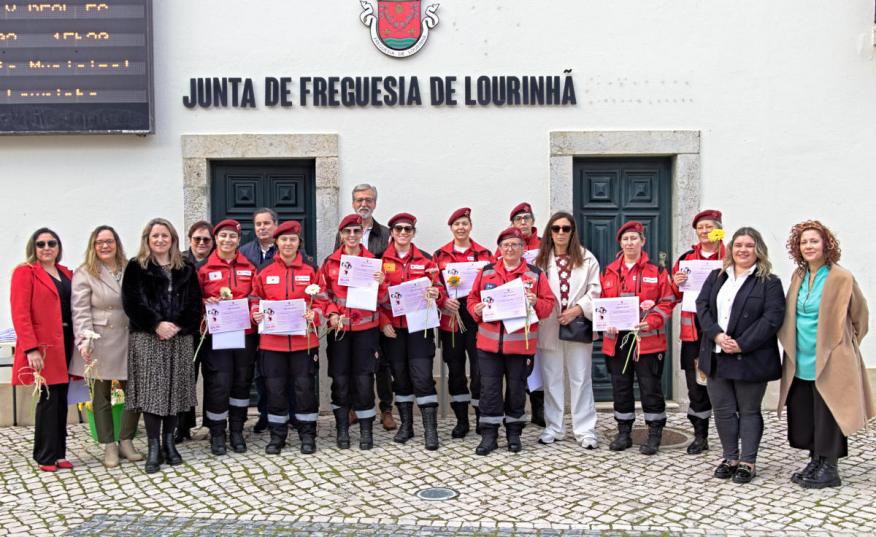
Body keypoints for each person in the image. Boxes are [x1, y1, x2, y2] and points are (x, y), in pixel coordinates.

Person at [777, 220, 873, 489]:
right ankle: (816, 459)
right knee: (807, 410)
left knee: (829, 410)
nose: (808, 246)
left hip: (831, 356)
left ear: (826, 244)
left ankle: (830, 468)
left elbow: (860, 316)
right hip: (801, 356)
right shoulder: (799, 275)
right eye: (803, 242)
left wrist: (846, 345)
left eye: (814, 241)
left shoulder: (841, 277)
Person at [696, 226, 784, 484]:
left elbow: (772, 318)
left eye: (749, 245)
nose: (743, 250)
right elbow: (702, 307)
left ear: (758, 250)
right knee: (722, 410)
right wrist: (716, 335)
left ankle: (748, 461)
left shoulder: (770, 282)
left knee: (748, 410)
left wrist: (741, 344)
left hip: (750, 356)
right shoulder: (716, 276)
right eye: (738, 245)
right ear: (730, 249)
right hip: (716, 353)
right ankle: (730, 457)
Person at [122, 218, 202, 473]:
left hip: (179, 338)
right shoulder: (137, 266)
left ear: (173, 239)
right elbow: (131, 302)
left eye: (164, 236)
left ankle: (170, 442)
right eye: (155, 236)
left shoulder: (186, 267)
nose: (159, 240)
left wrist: (176, 325)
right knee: (152, 393)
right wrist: (156, 324)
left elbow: (194, 303)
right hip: (148, 338)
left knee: (174, 391)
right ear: (147, 239)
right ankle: (154, 446)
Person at [467, 227, 555, 455]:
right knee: (489, 390)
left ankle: (514, 434)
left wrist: (536, 301)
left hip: (520, 345)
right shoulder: (486, 272)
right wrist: (476, 309)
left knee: (516, 390)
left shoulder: (534, 274)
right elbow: (472, 299)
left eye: (515, 244)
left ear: (523, 248)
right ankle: (489, 436)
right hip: (488, 345)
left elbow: (548, 306)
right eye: (506, 245)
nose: (510, 249)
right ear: (500, 248)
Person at [69, 226, 142, 467]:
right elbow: (80, 310)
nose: (104, 246)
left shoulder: (129, 267)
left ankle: (126, 440)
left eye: (109, 241)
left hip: (130, 336)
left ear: (117, 243)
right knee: (101, 396)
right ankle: (109, 445)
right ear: (93, 245)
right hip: (99, 339)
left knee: (135, 392)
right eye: (99, 242)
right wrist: (84, 340)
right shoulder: (85, 272)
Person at [600, 221, 675, 456]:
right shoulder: (609, 271)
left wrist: (651, 321)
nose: (630, 243)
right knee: (620, 388)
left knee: (650, 388)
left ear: (643, 241)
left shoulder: (658, 271)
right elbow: (602, 303)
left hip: (648, 342)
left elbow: (668, 301)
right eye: (625, 239)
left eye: (634, 238)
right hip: (617, 341)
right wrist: (605, 324)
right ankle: (624, 433)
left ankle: (654, 434)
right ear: (620, 243)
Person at [252, 220, 327, 455]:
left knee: (304, 388)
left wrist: (314, 314)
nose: (288, 243)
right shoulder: (264, 271)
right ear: (276, 243)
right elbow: (255, 298)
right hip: (271, 344)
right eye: (283, 239)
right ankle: (277, 436)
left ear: (298, 243)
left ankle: (307, 434)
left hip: (303, 342)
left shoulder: (310, 270)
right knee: (275, 389)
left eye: (292, 240)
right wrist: (255, 313)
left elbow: (323, 300)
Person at [318, 214, 388, 450]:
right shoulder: (330, 262)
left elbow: (383, 299)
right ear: (340, 235)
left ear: (362, 234)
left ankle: (366, 432)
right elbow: (322, 295)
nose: (351, 236)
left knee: (364, 379)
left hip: (366, 330)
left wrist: (382, 283)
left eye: (356, 232)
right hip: (339, 330)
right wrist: (331, 314)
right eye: (347, 232)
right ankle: (342, 430)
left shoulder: (372, 262)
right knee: (339, 379)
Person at [534, 212, 601, 449]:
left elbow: (596, 291)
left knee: (580, 377)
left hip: (577, 323)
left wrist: (577, 310)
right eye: (555, 228)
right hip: (549, 324)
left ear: (572, 231)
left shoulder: (586, 258)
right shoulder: (540, 260)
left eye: (565, 228)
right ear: (549, 232)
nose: (560, 233)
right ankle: (554, 426)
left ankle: (585, 429)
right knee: (552, 378)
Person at [379, 212, 446, 450]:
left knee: (423, 377)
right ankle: (406, 426)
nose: (403, 233)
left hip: (420, 329)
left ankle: (430, 430)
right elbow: (374, 300)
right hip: (393, 330)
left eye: (408, 229)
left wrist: (436, 293)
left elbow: (439, 289)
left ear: (414, 233)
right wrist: (383, 322)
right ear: (392, 233)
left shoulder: (426, 261)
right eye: (398, 229)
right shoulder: (380, 261)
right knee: (400, 378)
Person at [10, 228, 75, 472]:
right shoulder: (25, 273)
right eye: (41, 244)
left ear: (58, 247)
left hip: (66, 342)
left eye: (52, 243)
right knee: (49, 400)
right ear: (33, 248)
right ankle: (46, 455)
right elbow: (20, 313)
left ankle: (59, 453)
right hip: (45, 346)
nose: (46, 248)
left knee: (61, 400)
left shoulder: (66, 273)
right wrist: (31, 348)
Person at [334, 183, 395, 430]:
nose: (364, 204)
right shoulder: (343, 232)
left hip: (379, 307)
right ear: (353, 203)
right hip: (353, 311)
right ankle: (351, 408)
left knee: (382, 363)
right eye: (359, 199)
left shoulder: (386, 233)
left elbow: (389, 265)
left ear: (375, 204)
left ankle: (386, 409)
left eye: (369, 200)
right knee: (353, 364)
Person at [198, 219, 258, 456]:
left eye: (232, 236)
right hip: (218, 336)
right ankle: (217, 433)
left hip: (245, 335)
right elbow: (196, 300)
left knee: (242, 382)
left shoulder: (250, 268)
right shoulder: (204, 269)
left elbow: (256, 296)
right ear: (216, 239)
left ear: (238, 240)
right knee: (219, 384)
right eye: (223, 236)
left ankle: (236, 430)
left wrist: (253, 309)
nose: (227, 240)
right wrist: (206, 303)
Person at [433, 207, 493, 438]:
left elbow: (492, 283)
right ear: (451, 228)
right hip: (452, 320)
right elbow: (435, 284)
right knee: (455, 369)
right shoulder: (440, 255)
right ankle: (461, 421)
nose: (461, 227)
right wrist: (443, 300)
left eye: (465, 223)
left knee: (479, 370)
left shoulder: (484, 254)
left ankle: (480, 417)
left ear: (471, 226)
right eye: (457, 224)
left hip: (477, 319)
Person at [670, 209, 726, 455]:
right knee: (696, 386)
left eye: (709, 226)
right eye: (700, 227)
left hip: (723, 330)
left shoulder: (730, 256)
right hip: (693, 331)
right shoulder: (686, 258)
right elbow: (673, 295)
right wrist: (677, 283)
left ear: (719, 229)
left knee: (724, 382)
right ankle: (700, 435)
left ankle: (729, 435)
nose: (704, 231)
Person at [493, 202, 546, 428]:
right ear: (512, 223)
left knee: (539, 361)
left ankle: (539, 408)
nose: (523, 222)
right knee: (522, 360)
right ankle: (519, 408)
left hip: (539, 309)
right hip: (512, 314)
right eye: (518, 219)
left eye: (527, 218)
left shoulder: (545, 245)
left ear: (533, 221)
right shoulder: (506, 245)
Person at [240, 208, 278, 434]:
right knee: (259, 373)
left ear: (275, 225)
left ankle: (288, 414)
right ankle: (264, 414)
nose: (262, 228)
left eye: (266, 223)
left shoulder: (288, 248)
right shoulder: (244, 252)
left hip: (278, 323)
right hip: (250, 321)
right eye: (258, 224)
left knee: (280, 372)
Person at [176, 220, 212, 442]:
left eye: (206, 239)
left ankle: (211, 424)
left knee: (213, 377)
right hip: (186, 330)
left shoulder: (218, 261)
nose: (201, 243)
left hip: (213, 329)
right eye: (197, 239)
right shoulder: (177, 261)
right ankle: (183, 425)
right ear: (189, 239)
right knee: (185, 378)